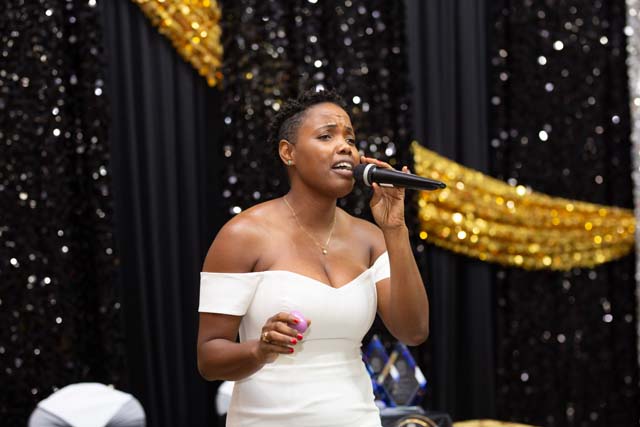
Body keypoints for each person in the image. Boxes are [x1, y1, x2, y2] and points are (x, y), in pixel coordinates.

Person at [197, 88, 429, 426]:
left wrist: (395, 229)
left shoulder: (370, 238)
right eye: (326, 136)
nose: (345, 147)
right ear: (288, 152)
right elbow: (209, 358)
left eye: (350, 139)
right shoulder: (242, 235)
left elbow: (414, 330)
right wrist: (259, 350)